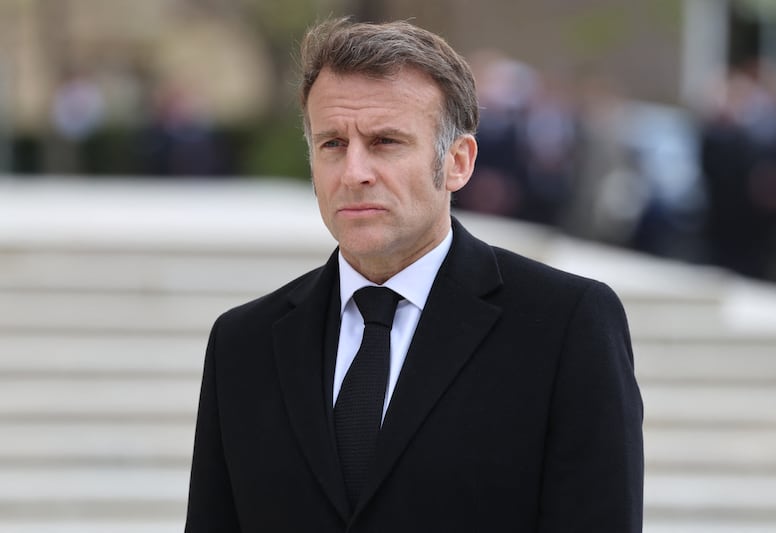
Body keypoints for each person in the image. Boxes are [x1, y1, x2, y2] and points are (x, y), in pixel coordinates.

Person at [185, 17, 643, 532]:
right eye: (332, 143)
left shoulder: (565, 325)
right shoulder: (242, 343)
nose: (354, 172)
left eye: (384, 142)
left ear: (458, 162)